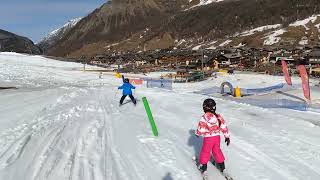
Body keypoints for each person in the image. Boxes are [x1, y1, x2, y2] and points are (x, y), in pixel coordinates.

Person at [195, 98, 230, 175]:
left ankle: (203, 168)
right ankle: (222, 167)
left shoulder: (204, 118)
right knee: (217, 151)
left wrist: (198, 133)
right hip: (217, 138)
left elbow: (201, 129)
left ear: (205, 108)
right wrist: (227, 137)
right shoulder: (218, 117)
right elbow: (223, 126)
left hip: (208, 139)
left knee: (205, 152)